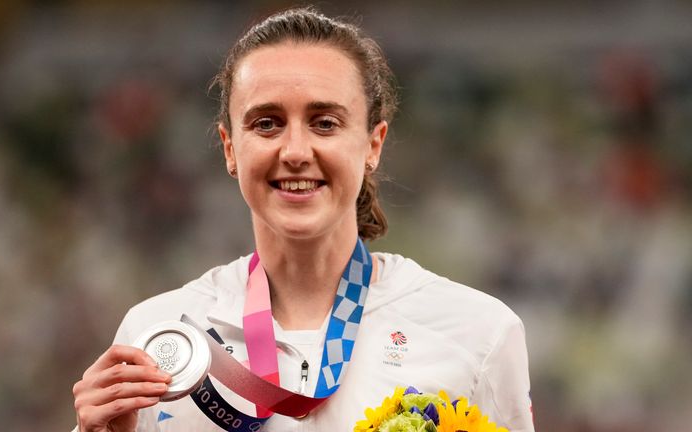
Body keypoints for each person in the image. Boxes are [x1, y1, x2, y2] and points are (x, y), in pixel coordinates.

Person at [72, 7, 534, 432]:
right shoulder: (158, 338)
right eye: (267, 123)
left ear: (373, 144)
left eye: (325, 123)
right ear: (230, 148)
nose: (295, 152)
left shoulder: (477, 333)